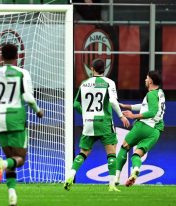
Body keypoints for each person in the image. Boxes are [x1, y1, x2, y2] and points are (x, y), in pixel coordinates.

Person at [0, 43, 43, 206]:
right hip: (16, 118)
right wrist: (37, 110)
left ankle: (12, 195)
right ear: (17, 57)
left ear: (0, 57)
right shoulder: (20, 74)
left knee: (11, 157)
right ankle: (3, 164)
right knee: (19, 158)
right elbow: (27, 97)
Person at [64, 58, 130, 192]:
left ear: (92, 69)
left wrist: (86, 114)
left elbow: (76, 104)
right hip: (104, 123)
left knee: (83, 152)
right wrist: (121, 115)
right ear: (104, 69)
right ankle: (111, 185)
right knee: (111, 152)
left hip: (88, 123)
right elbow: (112, 101)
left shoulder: (84, 84)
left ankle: (70, 175)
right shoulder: (108, 82)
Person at [115, 71, 165, 187]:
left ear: (151, 81)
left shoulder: (151, 94)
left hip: (144, 126)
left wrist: (133, 116)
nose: (145, 80)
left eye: (147, 78)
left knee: (124, 147)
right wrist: (126, 106)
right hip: (155, 131)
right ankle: (135, 170)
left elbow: (151, 112)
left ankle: (116, 177)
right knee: (137, 155)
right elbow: (144, 106)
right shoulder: (160, 93)